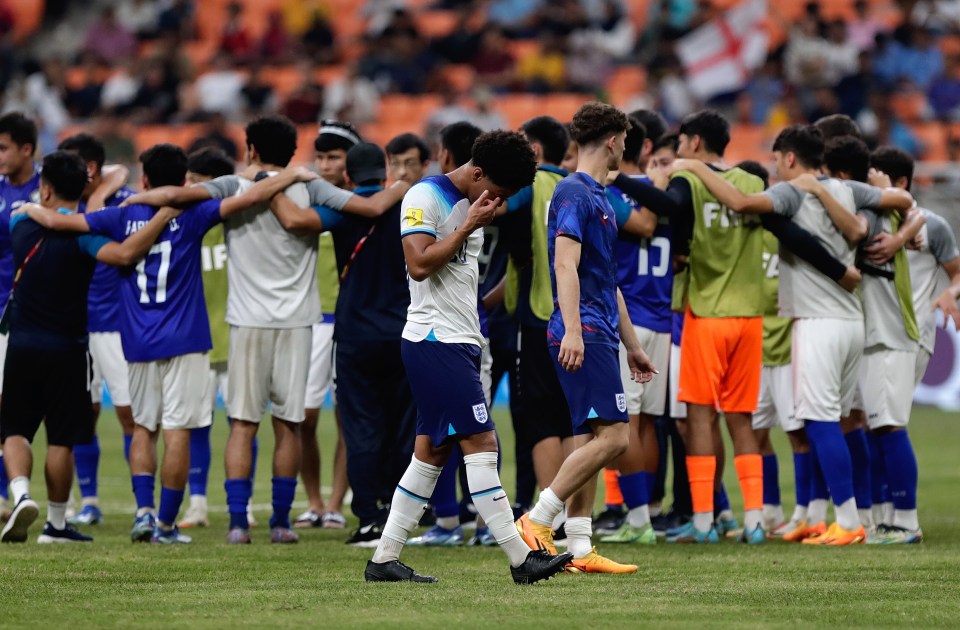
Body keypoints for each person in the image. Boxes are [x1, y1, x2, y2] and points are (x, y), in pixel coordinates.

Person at [124, 116, 409, 545]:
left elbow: (177, 195)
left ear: (252, 148)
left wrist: (134, 200)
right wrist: (401, 186)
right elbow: (369, 209)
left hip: (246, 322)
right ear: (293, 152)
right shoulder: (311, 186)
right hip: (298, 323)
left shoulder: (235, 186)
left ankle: (238, 523)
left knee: (242, 424)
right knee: (288, 425)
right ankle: (280, 522)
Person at [18, 145, 319, 544]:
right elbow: (252, 197)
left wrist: (33, 211)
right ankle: (165, 524)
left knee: (144, 427)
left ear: (145, 180)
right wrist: (293, 175)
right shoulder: (193, 213)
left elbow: (66, 224)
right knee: (178, 431)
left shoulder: (120, 214)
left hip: (137, 339)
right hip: (186, 339)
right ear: (183, 182)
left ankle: (143, 514)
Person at [365, 130, 573, 585]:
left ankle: (383, 559)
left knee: (432, 452)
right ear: (476, 173)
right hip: (434, 339)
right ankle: (522, 560)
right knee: (482, 444)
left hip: (458, 340)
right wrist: (468, 225)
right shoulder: (426, 197)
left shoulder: (474, 202)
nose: (496, 203)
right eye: (495, 192)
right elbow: (418, 264)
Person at [0, 151, 178, 544]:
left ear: (45, 190)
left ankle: (20, 494)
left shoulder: (19, 222)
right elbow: (126, 254)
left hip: (22, 343)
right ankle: (57, 525)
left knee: (14, 430)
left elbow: (39, 213)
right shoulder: (87, 238)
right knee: (61, 437)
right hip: (68, 347)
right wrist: (163, 218)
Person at [516, 102, 657, 573]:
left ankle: (579, 548)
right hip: (583, 331)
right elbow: (564, 264)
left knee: (588, 437)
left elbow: (606, 279)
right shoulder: (574, 193)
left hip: (599, 328)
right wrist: (574, 329)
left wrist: (633, 345)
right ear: (615, 140)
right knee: (617, 436)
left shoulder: (595, 195)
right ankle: (537, 520)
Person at [57, 133, 137, 527]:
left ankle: (145, 505)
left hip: (115, 326)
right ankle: (88, 500)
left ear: (89, 169)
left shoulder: (125, 204)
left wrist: (106, 188)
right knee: (79, 415)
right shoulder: (57, 204)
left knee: (128, 415)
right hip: (74, 326)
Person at [504, 116, 573, 542]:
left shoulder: (526, 189)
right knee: (574, 422)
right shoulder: (578, 187)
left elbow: (495, 207)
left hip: (537, 318)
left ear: (534, 151)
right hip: (581, 319)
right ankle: (573, 518)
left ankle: (549, 518)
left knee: (543, 422)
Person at [177, 147, 252, 529]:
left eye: (194, 182)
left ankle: (246, 503)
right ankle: (199, 505)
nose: (187, 188)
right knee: (196, 425)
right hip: (200, 340)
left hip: (238, 335)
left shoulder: (243, 223)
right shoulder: (189, 226)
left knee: (245, 422)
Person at [293, 121, 362, 531]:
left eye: (333, 157)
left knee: (346, 418)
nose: (324, 164)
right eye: (320, 157)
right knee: (303, 416)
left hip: (348, 320)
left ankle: (335, 502)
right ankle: (313, 500)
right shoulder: (305, 202)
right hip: (310, 319)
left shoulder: (358, 204)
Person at [0, 112, 42, 520]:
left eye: (3, 148)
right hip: (3, 314)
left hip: (43, 315)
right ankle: (7, 494)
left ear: (26, 149)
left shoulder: (49, 187)